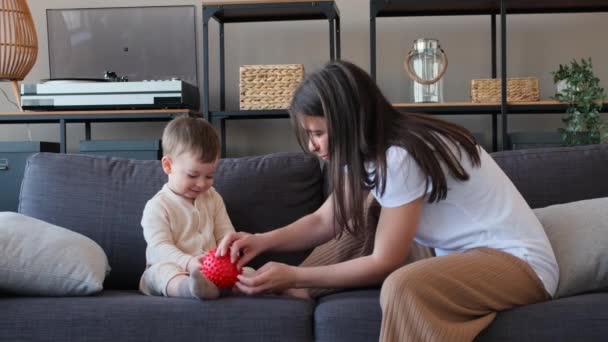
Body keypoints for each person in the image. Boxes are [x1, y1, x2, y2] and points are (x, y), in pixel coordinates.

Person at [216, 60, 559, 341]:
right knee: (364, 211)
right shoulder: (368, 152)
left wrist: (293, 275)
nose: (311, 146)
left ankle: (303, 286)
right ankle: (306, 290)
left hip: (516, 264)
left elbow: (385, 262)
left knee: (403, 286)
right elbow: (326, 220)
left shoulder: (399, 156)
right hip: (457, 253)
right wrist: (261, 241)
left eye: (317, 133)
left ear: (348, 123)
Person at [139, 116, 246, 300]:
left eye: (210, 176)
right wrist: (188, 263)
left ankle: (230, 286)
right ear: (168, 165)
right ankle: (189, 288)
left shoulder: (213, 197)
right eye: (192, 175)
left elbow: (225, 235)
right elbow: (159, 247)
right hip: (173, 266)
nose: (202, 184)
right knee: (158, 274)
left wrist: (230, 256)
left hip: (213, 270)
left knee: (248, 272)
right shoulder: (158, 206)